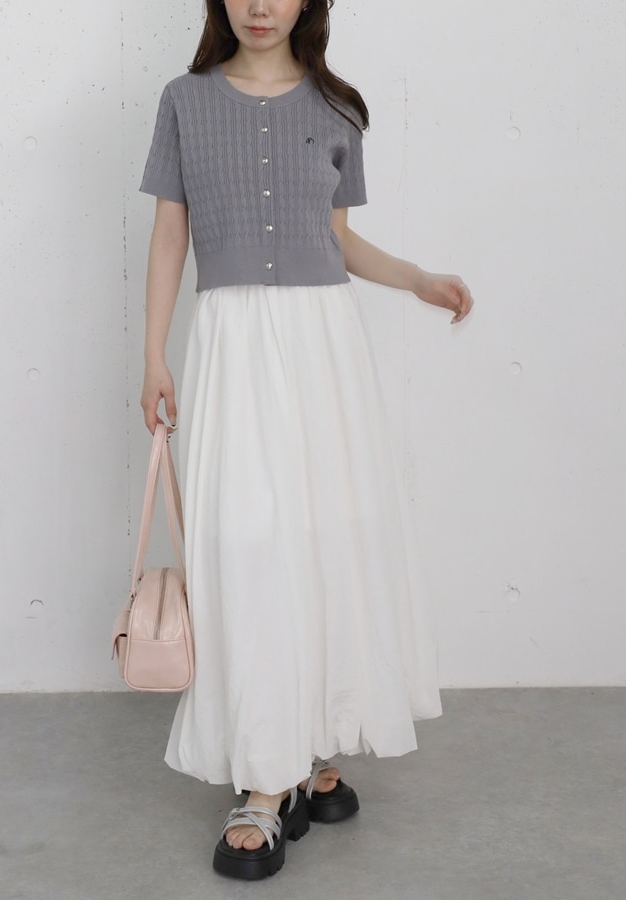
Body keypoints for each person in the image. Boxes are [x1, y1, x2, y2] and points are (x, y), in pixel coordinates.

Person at [138, 0, 474, 881]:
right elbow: (170, 233)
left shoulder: (337, 108)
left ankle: (308, 740)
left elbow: (338, 238)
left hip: (324, 346)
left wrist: (417, 278)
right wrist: (154, 354)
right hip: (232, 344)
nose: (260, 6)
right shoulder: (184, 100)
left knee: (327, 540)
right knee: (247, 544)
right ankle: (264, 774)